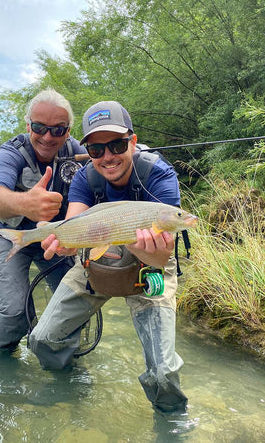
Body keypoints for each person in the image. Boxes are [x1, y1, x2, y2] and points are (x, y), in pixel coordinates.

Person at [29, 100, 188, 413]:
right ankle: (71, 389)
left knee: (163, 374)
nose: (107, 157)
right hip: (95, 267)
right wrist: (59, 240)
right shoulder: (85, 178)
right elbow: (73, 233)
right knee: (43, 340)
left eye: (115, 145)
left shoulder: (159, 176)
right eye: (96, 150)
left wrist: (141, 247)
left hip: (148, 271)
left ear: (131, 140)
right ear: (88, 152)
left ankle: (172, 422)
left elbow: (162, 258)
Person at [0, 88, 87, 353]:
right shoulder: (12, 152)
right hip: (10, 236)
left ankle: (65, 362)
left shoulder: (77, 152)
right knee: (15, 310)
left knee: (72, 304)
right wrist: (25, 204)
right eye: (39, 127)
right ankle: (0, 356)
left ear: (68, 130)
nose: (47, 136)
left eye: (58, 130)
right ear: (28, 124)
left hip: (56, 241)